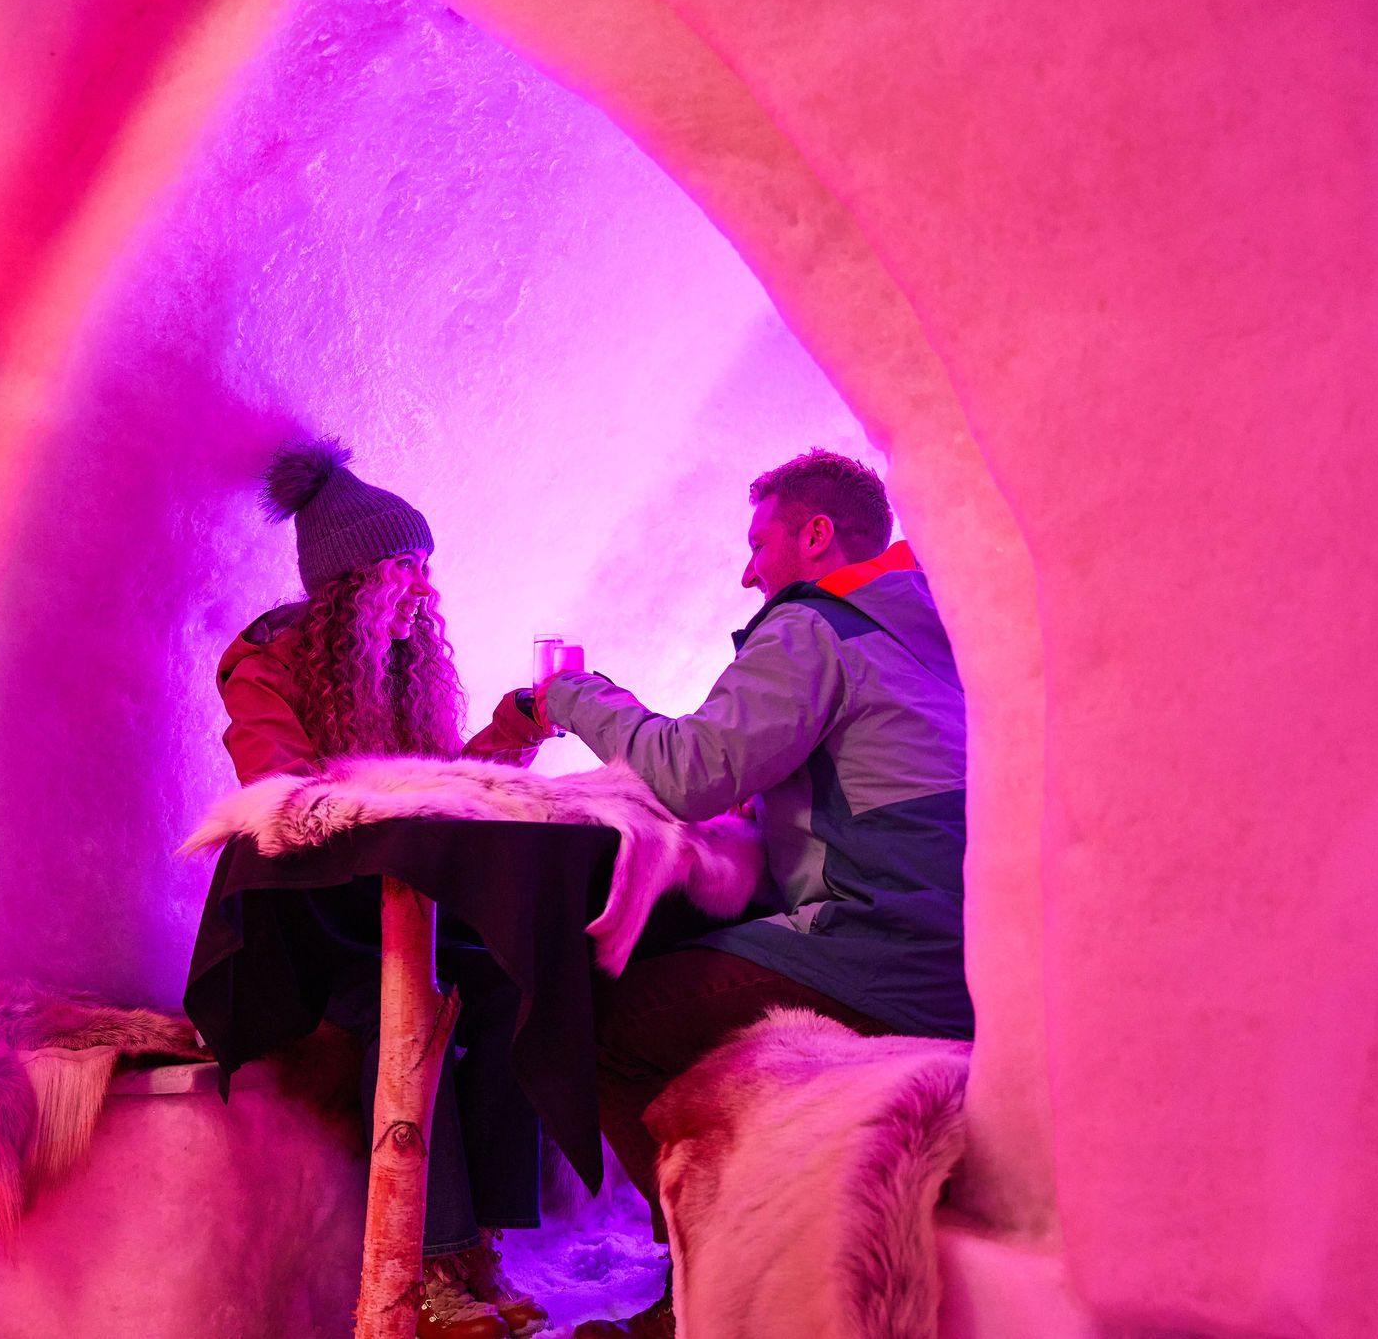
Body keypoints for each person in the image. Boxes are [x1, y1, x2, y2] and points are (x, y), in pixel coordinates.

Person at [536, 449, 972, 1339]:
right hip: (964, 958)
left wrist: (575, 694)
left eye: (760, 542)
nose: (747, 571)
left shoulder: (816, 626)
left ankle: (695, 1292)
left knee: (591, 1014)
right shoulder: (939, 627)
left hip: (876, 951)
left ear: (816, 536)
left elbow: (692, 772)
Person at [216, 438, 553, 1339]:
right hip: (308, 920)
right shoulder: (266, 665)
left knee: (504, 988)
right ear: (350, 580)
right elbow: (282, 793)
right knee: (394, 1002)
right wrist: (364, 802)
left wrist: (508, 736)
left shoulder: (403, 669)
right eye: (405, 567)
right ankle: (424, 1272)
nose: (423, 588)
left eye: (426, 567)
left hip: (400, 903)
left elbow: (428, 784)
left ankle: (476, 1246)